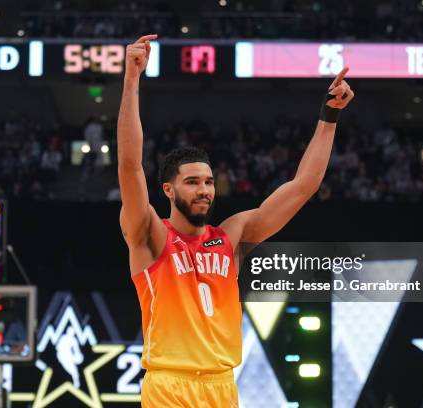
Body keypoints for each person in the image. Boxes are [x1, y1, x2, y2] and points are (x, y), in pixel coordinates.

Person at [117, 34, 354, 407]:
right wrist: (131, 82)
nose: (204, 190)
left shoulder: (232, 234)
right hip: (169, 384)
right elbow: (130, 166)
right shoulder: (150, 233)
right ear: (167, 189)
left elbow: (302, 187)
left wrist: (329, 116)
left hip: (222, 385)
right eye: (192, 182)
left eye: (208, 182)